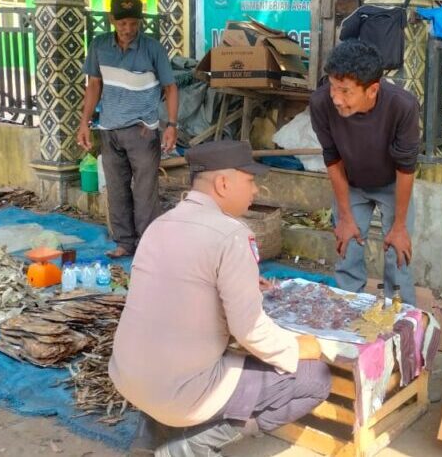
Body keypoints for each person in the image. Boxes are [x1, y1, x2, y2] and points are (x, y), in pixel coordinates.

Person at [110, 140, 330, 457]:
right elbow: (250, 331)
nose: (255, 191)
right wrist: (298, 349)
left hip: (129, 377)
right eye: (250, 181)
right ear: (223, 183)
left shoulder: (159, 225)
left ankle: (147, 435)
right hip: (182, 391)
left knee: (167, 347)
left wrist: (240, 282)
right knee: (315, 378)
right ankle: (189, 448)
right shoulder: (231, 233)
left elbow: (173, 290)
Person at [309, 40, 420, 306]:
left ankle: (401, 312)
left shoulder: (402, 106)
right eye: (333, 87)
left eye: (346, 91)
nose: (336, 98)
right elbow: (332, 159)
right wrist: (345, 217)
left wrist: (400, 226)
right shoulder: (321, 103)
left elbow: (406, 168)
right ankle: (349, 309)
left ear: (372, 90)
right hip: (351, 183)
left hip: (393, 183)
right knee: (347, 247)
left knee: (398, 251)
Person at [77, 0, 179, 259]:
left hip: (143, 130)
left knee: (145, 192)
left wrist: (171, 126)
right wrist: (85, 123)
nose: (128, 29)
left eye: (134, 23)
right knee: (116, 188)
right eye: (123, 23)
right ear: (112, 20)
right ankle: (124, 242)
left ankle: (147, 244)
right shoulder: (99, 46)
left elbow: (170, 87)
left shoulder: (153, 48)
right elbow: (94, 86)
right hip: (109, 128)